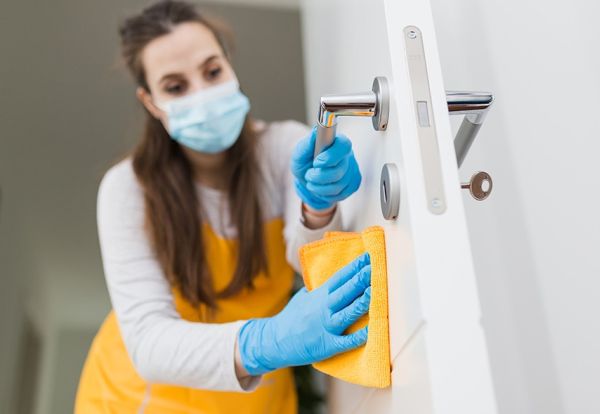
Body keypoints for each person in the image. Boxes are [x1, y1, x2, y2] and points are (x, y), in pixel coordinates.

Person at [75, 1, 372, 412]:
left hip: (257, 399)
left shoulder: (284, 148)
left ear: (229, 66)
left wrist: (318, 210)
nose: (202, 93)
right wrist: (265, 341)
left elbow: (317, 270)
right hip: (141, 399)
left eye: (212, 71)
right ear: (151, 103)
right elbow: (147, 340)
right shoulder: (129, 189)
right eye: (176, 87)